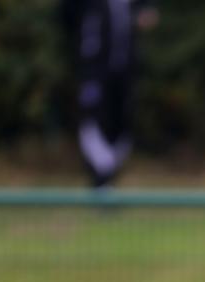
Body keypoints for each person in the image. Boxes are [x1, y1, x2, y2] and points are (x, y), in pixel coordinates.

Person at [62, 0, 158, 188]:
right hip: (94, 71)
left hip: (125, 72)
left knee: (122, 125)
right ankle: (101, 178)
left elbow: (148, 12)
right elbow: (66, 18)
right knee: (93, 121)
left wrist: (146, 16)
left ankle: (108, 177)